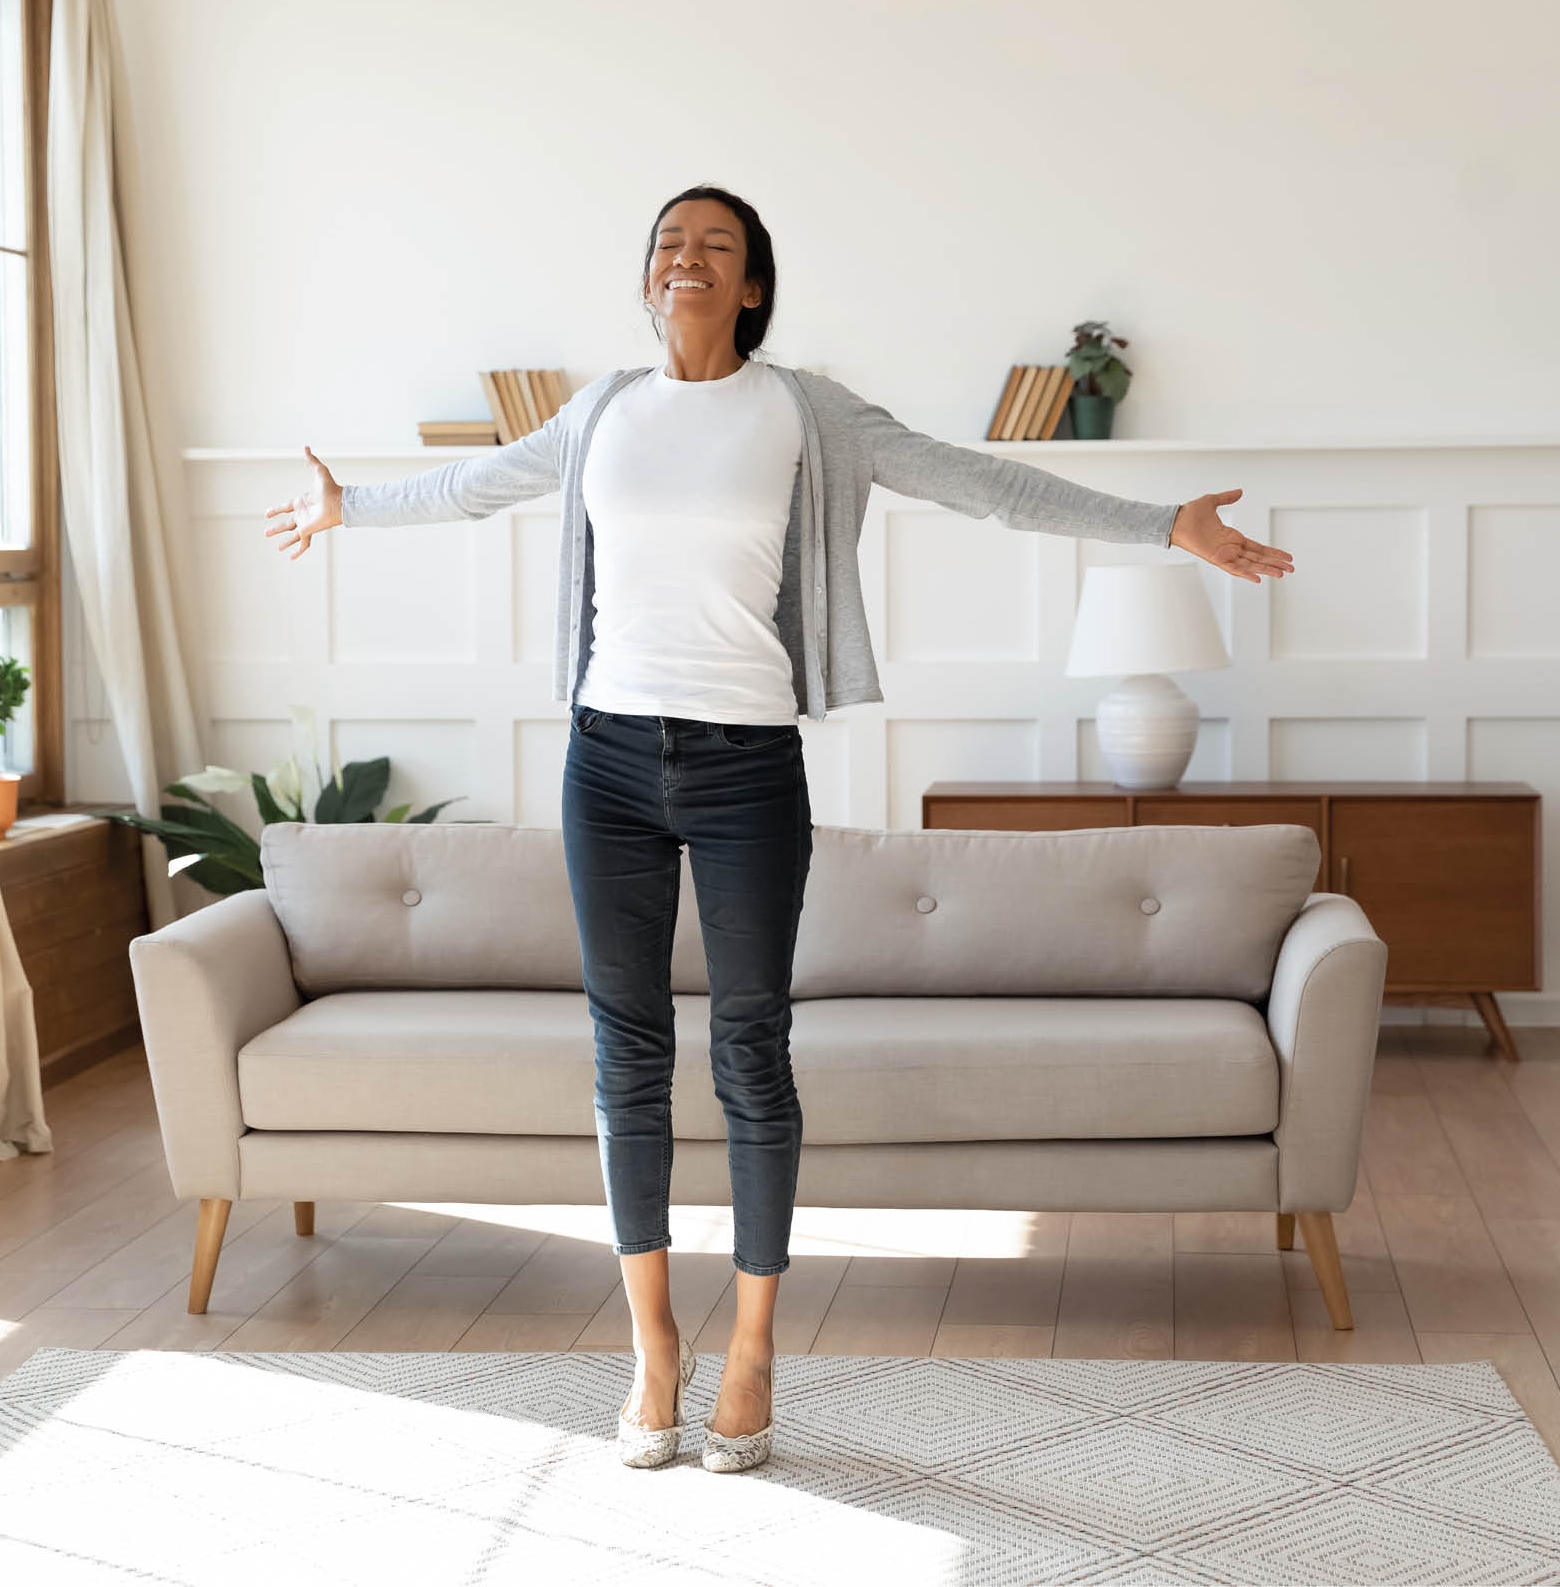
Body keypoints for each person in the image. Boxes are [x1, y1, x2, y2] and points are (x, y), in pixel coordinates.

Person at [263, 184, 1294, 1473]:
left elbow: (980, 485)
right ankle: (653, 1350)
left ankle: (750, 1349)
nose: (687, 260)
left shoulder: (809, 415)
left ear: (752, 284)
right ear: (649, 283)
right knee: (625, 1050)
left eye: (717, 247)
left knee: (750, 1046)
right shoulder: (599, 415)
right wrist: (348, 506)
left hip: (750, 763)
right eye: (668, 246)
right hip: (608, 759)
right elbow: (476, 488)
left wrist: (1162, 528)